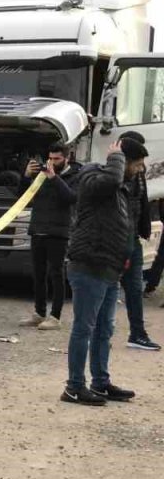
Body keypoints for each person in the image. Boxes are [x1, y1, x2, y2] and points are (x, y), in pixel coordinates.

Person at [62, 140, 140, 406]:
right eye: (137, 164)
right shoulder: (93, 178)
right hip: (89, 265)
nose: (140, 170)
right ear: (122, 161)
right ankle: (73, 387)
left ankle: (101, 383)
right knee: (84, 328)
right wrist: (116, 157)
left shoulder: (119, 188)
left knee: (104, 330)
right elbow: (109, 181)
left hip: (109, 268)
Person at [18, 144, 79, 330]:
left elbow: (71, 198)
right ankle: (39, 312)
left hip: (58, 232)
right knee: (38, 274)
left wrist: (54, 178)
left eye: (57, 159)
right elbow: (23, 197)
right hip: (38, 229)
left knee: (57, 274)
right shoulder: (41, 174)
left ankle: (55, 316)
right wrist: (26, 176)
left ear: (67, 158)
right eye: (50, 158)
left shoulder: (75, 175)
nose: (52, 162)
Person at [117, 131, 160, 350]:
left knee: (134, 288)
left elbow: (141, 204)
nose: (142, 166)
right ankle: (95, 332)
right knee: (105, 291)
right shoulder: (111, 176)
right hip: (113, 243)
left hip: (132, 239)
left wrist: (143, 230)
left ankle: (137, 333)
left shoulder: (139, 175)